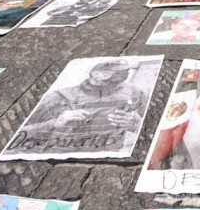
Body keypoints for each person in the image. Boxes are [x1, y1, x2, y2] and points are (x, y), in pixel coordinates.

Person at [12, 60, 147, 152]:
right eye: (115, 74)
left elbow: (158, 125)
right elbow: (15, 135)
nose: (121, 78)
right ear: (96, 75)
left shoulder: (134, 92)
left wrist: (136, 124)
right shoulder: (58, 97)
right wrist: (55, 123)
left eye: (124, 74)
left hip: (109, 154)